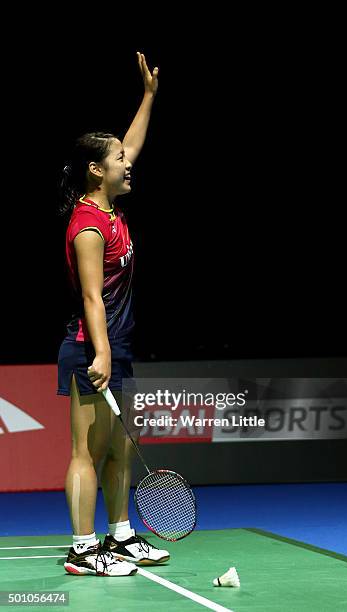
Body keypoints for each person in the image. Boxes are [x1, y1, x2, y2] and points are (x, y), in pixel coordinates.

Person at [57, 52, 169, 577]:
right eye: (118, 158)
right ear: (96, 170)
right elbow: (90, 298)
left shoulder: (110, 207)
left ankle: (121, 536)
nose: (129, 162)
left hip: (116, 343)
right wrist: (99, 350)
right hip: (89, 344)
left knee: (122, 445)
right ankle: (82, 549)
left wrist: (148, 95)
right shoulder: (88, 225)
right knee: (88, 448)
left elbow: (135, 144)